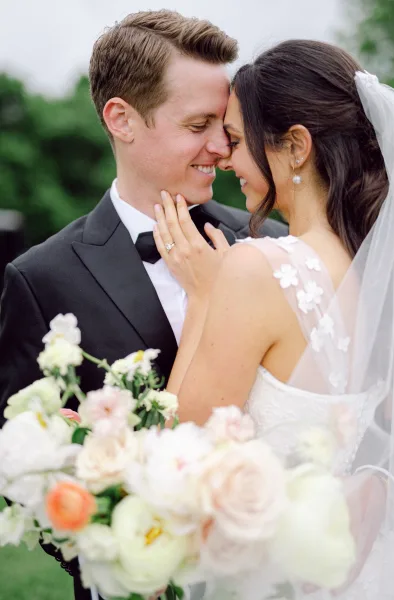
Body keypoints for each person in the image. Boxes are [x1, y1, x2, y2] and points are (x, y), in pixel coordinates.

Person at [0, 10, 286, 600]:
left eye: (226, 127)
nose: (222, 148)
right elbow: (25, 467)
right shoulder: (39, 279)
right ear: (122, 120)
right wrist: (118, 558)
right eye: (199, 124)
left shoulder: (274, 243)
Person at [154, 40, 394, 598]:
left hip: (255, 574)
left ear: (295, 146)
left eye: (236, 141)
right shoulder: (376, 269)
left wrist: (204, 297)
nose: (225, 158)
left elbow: (180, 452)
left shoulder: (258, 267)